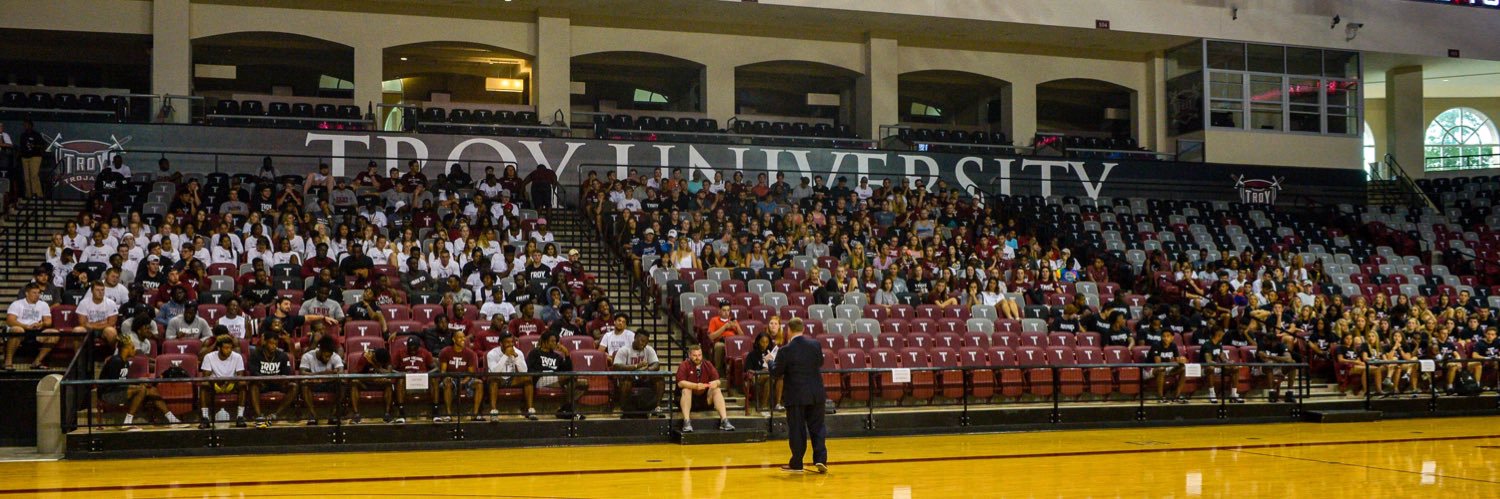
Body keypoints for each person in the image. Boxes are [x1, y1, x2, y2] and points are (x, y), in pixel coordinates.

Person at [770, 317, 826, 474]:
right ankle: (821, 459)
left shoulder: (785, 350)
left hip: (796, 395)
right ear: (803, 329)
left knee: (797, 429)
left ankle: (797, 463)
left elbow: (776, 372)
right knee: (818, 428)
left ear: (788, 330)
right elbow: (820, 363)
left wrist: (769, 362)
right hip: (816, 393)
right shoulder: (815, 345)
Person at [98, 340, 182, 429]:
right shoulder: (116, 361)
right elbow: (114, 383)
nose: (135, 350)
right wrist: (137, 383)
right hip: (108, 394)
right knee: (141, 389)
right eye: (132, 348)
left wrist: (138, 382)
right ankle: (127, 423)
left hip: (118, 391)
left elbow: (123, 380)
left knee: (152, 390)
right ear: (125, 349)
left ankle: (172, 420)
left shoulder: (125, 362)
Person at [675, 344, 734, 434]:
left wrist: (715, 383)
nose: (697, 358)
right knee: (686, 389)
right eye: (694, 355)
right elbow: (680, 383)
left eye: (699, 355)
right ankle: (686, 422)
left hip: (704, 399)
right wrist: (695, 386)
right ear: (689, 355)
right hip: (688, 399)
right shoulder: (684, 365)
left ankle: (724, 420)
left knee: (717, 390)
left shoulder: (708, 364)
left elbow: (718, 381)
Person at [527, 331, 586, 420]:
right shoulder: (535, 353)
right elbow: (529, 369)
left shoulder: (557, 356)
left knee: (584, 383)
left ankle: (566, 409)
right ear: (544, 341)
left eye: (555, 341)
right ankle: (569, 411)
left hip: (556, 379)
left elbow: (568, 371)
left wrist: (566, 354)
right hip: (540, 379)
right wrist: (542, 372)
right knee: (571, 378)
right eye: (552, 341)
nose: (555, 343)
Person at [247, 330, 297, 427]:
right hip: (263, 383)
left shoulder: (282, 356)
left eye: (275, 344)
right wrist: (266, 378)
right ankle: (259, 415)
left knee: (294, 386)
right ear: (264, 342)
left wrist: (281, 379)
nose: (274, 346)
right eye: (271, 343)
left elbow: (287, 373)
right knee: (253, 386)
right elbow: (254, 372)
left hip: (278, 383)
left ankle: (276, 414)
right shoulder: (256, 355)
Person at [198, 336, 249, 429]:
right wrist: (219, 381)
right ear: (218, 348)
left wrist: (228, 381)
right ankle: (205, 418)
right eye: (226, 348)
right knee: (204, 384)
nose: (229, 350)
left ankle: (240, 417)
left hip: (231, 384)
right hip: (215, 384)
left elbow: (240, 376)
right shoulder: (209, 357)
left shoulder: (237, 357)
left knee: (242, 384)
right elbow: (206, 376)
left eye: (230, 348)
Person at [485, 333, 538, 421]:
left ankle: (530, 410)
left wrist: (516, 357)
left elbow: (524, 371)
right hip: (499, 379)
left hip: (512, 378)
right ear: (501, 343)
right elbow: (495, 372)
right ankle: (493, 412)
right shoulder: (492, 354)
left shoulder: (518, 352)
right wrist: (505, 356)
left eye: (511, 342)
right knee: (493, 380)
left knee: (528, 379)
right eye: (507, 342)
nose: (510, 344)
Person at [6, 283, 58, 370]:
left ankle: (37, 361)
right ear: (27, 293)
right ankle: (8, 362)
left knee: (54, 333)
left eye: (38, 293)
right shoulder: (17, 304)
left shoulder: (43, 305)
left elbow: (48, 322)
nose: (37, 295)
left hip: (36, 331)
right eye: (34, 293)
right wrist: (26, 326)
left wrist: (42, 324)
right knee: (17, 330)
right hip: (21, 330)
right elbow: (10, 321)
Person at [611, 330, 662, 417]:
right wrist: (636, 366)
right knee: (626, 381)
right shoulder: (624, 350)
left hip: (644, 377)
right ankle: (623, 408)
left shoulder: (649, 349)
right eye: (641, 340)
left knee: (659, 378)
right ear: (635, 338)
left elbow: (656, 365)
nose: (643, 343)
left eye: (646, 342)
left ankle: (656, 406)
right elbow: (617, 366)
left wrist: (648, 370)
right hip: (629, 377)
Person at [437, 331, 483, 422]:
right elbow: (443, 371)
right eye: (460, 337)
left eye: (464, 337)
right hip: (451, 377)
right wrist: (446, 377)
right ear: (454, 339)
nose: (463, 339)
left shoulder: (470, 353)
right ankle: (448, 414)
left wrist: (463, 381)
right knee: (447, 383)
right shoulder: (445, 351)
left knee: (479, 383)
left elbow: (471, 373)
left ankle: (475, 414)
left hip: (465, 377)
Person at [298, 335, 345, 425]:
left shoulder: (335, 356)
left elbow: (341, 373)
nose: (328, 359)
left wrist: (325, 378)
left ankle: (333, 414)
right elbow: (302, 373)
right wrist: (323, 374)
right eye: (326, 356)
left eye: (329, 356)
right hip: (314, 384)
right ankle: (312, 415)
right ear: (320, 350)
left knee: (342, 383)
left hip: (328, 383)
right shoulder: (307, 356)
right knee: (304, 384)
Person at [348, 346, 396, 424]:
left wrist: (375, 366)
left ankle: (387, 414)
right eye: (378, 362)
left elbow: (389, 373)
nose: (380, 364)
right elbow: (356, 375)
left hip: (379, 382)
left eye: (381, 363)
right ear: (374, 357)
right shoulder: (365, 357)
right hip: (365, 382)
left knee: (388, 383)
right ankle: (356, 415)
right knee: (354, 382)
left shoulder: (386, 356)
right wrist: (372, 379)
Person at [744, 331, 782, 415]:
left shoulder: (771, 353)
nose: (764, 344)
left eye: (767, 342)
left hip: (769, 376)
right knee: (768, 376)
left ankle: (776, 404)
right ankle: (764, 407)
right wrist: (761, 371)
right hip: (756, 377)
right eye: (762, 342)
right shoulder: (752, 354)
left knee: (777, 377)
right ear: (758, 342)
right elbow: (748, 370)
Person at [17, 119, 46, 200]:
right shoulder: (23, 135)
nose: (24, 126)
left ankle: (37, 194)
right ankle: (29, 195)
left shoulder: (36, 135)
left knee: (34, 175)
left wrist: (35, 146)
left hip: (35, 156)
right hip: (25, 157)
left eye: (26, 124)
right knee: (26, 177)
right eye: (24, 125)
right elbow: (21, 147)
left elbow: (43, 145)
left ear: (30, 125)